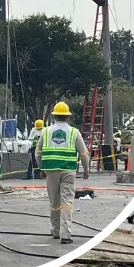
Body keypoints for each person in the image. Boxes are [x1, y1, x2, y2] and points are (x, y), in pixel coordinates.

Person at [35, 102, 91, 244]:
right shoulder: (74, 132)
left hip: (51, 170)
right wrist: (86, 169)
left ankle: (55, 230)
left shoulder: (46, 132)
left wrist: (41, 168)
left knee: (54, 201)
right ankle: (65, 234)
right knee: (67, 202)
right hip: (68, 171)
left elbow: (38, 153)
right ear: (68, 117)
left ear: (54, 116)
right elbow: (84, 153)